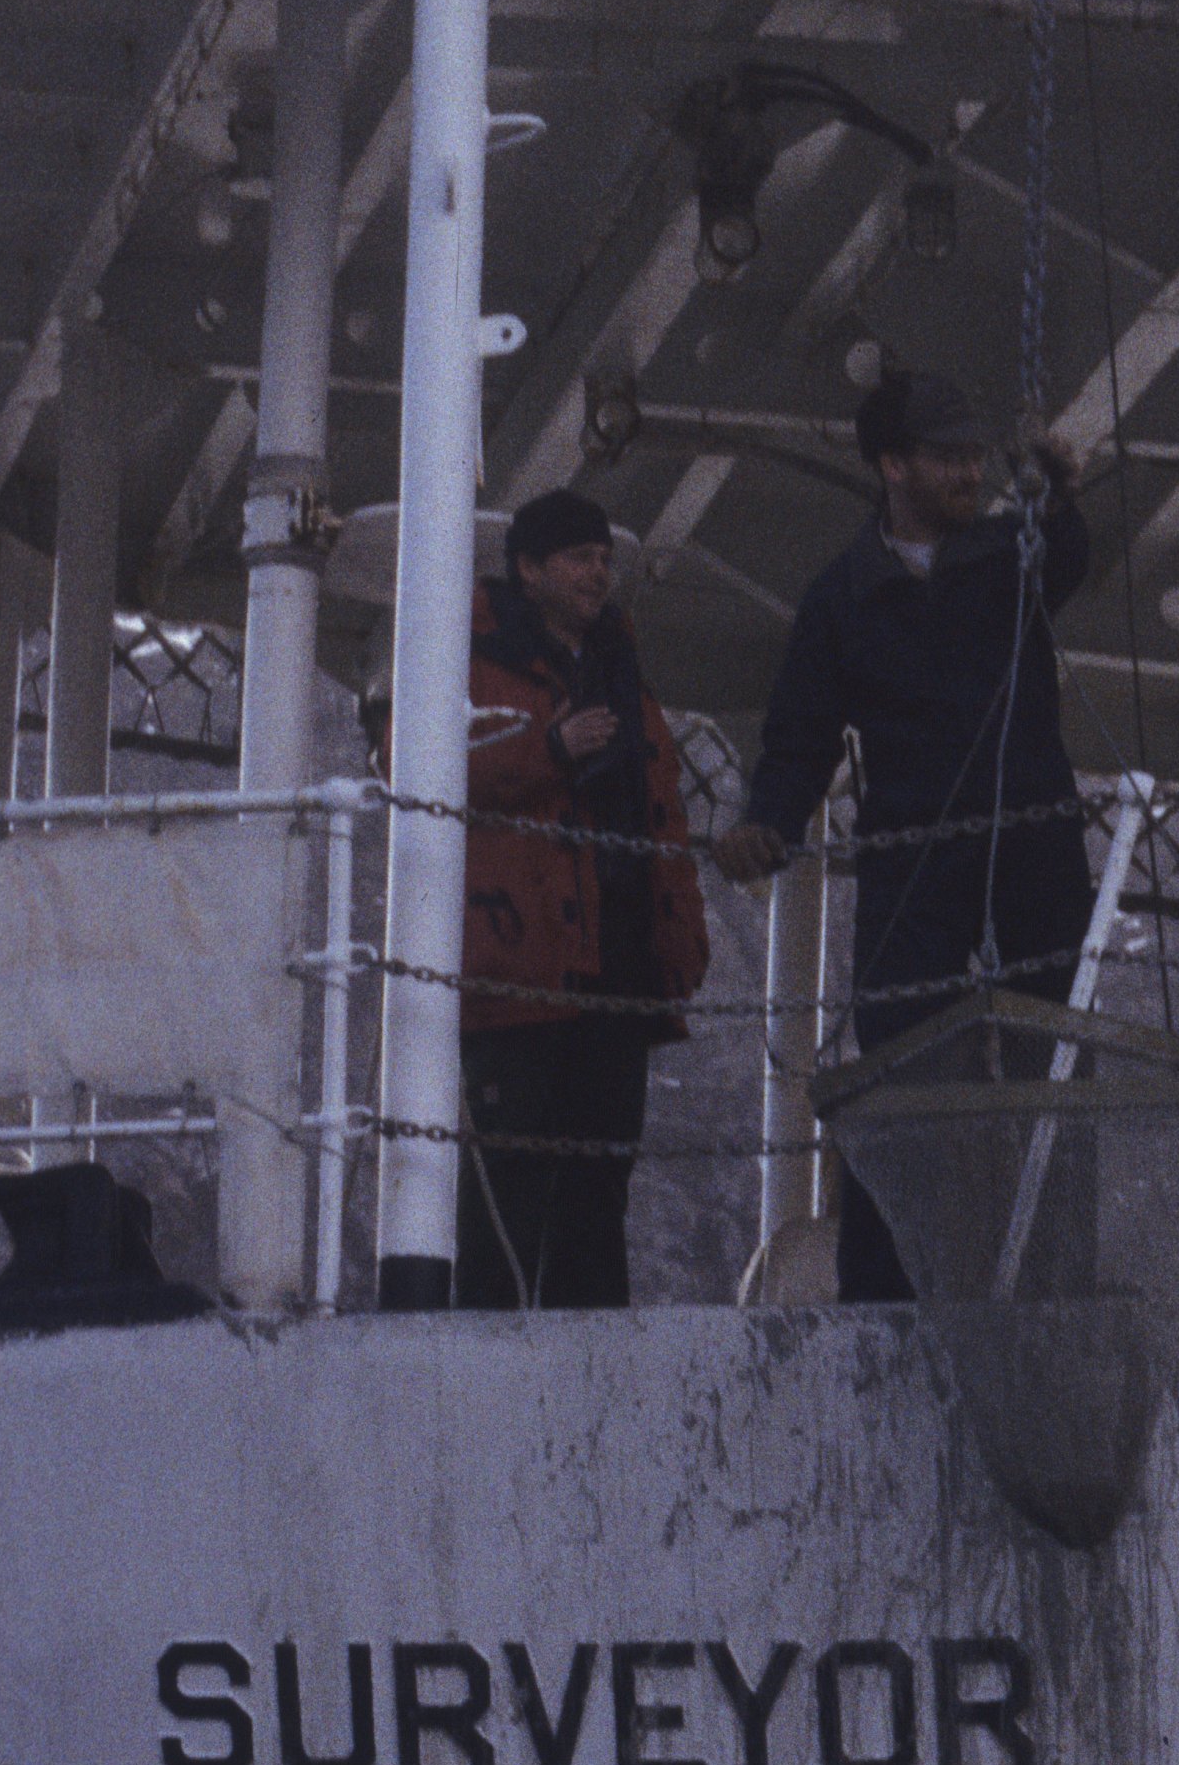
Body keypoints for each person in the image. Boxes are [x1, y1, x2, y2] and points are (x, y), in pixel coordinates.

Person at [714, 369, 1092, 1303]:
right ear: (894, 466)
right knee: (899, 1077)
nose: (969, 470)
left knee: (1053, 1066)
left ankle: (1057, 1282)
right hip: (923, 858)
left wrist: (1060, 492)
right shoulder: (848, 597)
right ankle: (884, 1289)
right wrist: (769, 818)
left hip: (1012, 849)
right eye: (948, 456)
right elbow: (800, 734)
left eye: (973, 455)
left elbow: (1070, 558)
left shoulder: (1004, 555)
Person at [456, 488, 706, 1308]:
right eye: (579, 557)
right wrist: (548, 750)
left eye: (605, 559)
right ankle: (494, 1361)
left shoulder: (619, 669)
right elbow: (417, 770)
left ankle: (589, 1361)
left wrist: (678, 938)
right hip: (522, 974)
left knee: (600, 1189)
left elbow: (658, 806)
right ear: (528, 569)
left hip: (615, 970)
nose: (599, 573)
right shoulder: (466, 659)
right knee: (509, 1191)